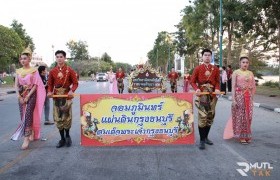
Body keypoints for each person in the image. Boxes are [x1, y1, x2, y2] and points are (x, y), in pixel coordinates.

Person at [11, 48, 45, 150]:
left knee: (28, 115)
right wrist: (19, 96)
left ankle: (26, 139)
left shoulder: (34, 71)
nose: (23, 61)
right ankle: (31, 131)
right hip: (21, 95)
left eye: (25, 58)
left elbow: (35, 85)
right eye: (21, 59)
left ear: (29, 59)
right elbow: (16, 85)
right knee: (23, 116)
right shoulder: (18, 71)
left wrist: (28, 96)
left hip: (31, 95)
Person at [47, 50, 79, 148]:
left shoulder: (70, 70)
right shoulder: (52, 71)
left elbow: (75, 83)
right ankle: (62, 139)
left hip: (66, 97)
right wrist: (49, 91)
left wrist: (71, 90)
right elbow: (50, 84)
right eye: (57, 57)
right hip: (56, 97)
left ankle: (68, 136)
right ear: (56, 58)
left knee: (67, 117)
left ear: (64, 58)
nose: (59, 58)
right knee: (58, 117)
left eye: (61, 56)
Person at [190, 49, 220, 150]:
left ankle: (206, 137)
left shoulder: (215, 69)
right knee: (203, 117)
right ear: (202, 57)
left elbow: (217, 82)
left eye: (209, 55)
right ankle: (202, 140)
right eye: (205, 55)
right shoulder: (198, 68)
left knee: (210, 117)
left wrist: (217, 89)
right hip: (202, 94)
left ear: (211, 57)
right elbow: (192, 81)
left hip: (212, 95)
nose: (207, 57)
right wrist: (196, 88)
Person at [227, 51, 256, 144]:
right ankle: (241, 137)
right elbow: (233, 87)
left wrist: (252, 98)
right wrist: (234, 99)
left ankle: (247, 135)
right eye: (243, 62)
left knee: (249, 116)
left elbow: (253, 86)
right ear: (240, 63)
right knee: (241, 116)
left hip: (248, 97)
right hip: (239, 96)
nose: (245, 64)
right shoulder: (236, 72)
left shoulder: (251, 73)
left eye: (247, 62)